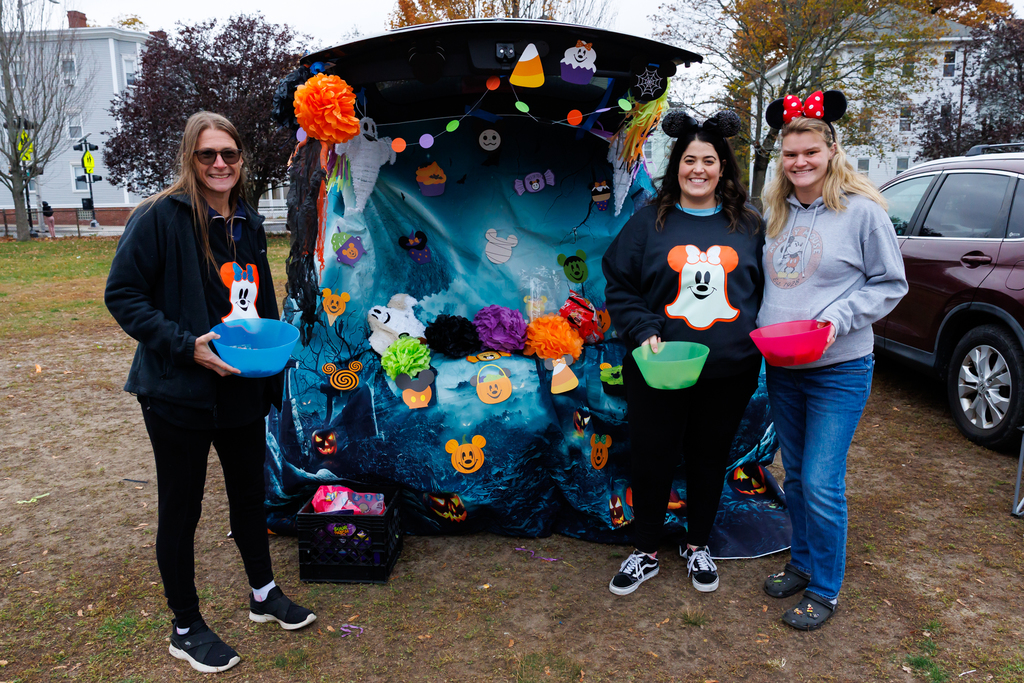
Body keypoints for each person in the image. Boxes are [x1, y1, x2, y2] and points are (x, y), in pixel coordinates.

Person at [105, 111, 315, 674]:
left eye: (229, 154)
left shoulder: (245, 219)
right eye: (207, 155)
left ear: (241, 159)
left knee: (250, 496)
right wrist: (184, 345)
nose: (220, 164)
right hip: (180, 391)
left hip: (242, 387)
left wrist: (273, 362)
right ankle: (184, 626)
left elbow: (256, 302)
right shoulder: (156, 217)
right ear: (189, 159)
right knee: (183, 507)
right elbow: (123, 295)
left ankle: (263, 593)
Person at [757, 91, 908, 630]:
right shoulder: (776, 213)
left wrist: (836, 321)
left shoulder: (862, 213)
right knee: (794, 475)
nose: (800, 163)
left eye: (810, 153)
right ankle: (801, 563)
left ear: (832, 150)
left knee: (822, 480)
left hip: (839, 370)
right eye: (790, 154)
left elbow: (891, 284)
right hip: (783, 367)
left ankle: (825, 586)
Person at [602, 110, 766, 596]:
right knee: (652, 454)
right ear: (676, 166)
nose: (699, 169)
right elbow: (620, 284)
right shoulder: (648, 222)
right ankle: (645, 549)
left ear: (723, 167)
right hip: (659, 367)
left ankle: (698, 545)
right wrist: (642, 327)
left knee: (709, 457)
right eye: (689, 159)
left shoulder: (749, 225)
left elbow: (771, 289)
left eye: (709, 160)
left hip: (729, 370)